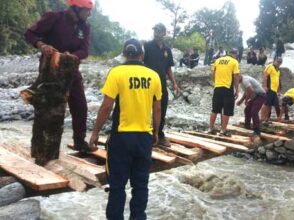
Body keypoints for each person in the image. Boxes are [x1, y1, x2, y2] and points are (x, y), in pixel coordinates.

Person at [89, 39, 162, 220]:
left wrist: (95, 132)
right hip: (144, 137)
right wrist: (155, 132)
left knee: (117, 186)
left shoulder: (117, 72)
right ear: (142, 55)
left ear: (124, 54)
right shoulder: (153, 76)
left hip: (121, 138)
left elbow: (106, 107)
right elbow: (157, 108)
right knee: (140, 185)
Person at [24, 0, 94, 152]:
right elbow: (30, 33)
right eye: (87, 11)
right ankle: (43, 148)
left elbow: (85, 50)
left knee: (80, 105)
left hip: (71, 70)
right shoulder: (54, 17)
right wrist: (41, 45)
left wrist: (73, 55)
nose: (89, 14)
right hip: (51, 70)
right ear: (76, 8)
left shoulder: (85, 27)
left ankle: (79, 142)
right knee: (50, 110)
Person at [143, 23, 179, 147]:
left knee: (162, 108)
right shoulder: (147, 46)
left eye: (159, 31)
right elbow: (140, 63)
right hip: (146, 84)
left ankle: (159, 134)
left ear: (164, 33)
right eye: (155, 31)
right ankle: (144, 135)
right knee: (145, 109)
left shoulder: (167, 50)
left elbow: (168, 68)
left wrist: (174, 83)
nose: (157, 33)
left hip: (161, 84)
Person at [209, 49, 240, 137]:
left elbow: (213, 74)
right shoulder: (234, 62)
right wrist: (237, 90)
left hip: (217, 88)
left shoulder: (218, 60)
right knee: (227, 110)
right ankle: (223, 130)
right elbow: (236, 76)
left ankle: (210, 128)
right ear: (235, 54)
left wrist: (216, 83)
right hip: (227, 88)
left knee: (215, 109)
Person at [260, 57, 283, 122]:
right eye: (277, 61)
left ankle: (266, 118)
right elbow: (265, 76)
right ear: (274, 61)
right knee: (266, 103)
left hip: (274, 90)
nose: (278, 63)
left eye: (280, 62)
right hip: (269, 88)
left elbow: (277, 80)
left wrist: (278, 90)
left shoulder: (278, 70)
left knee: (269, 104)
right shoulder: (270, 67)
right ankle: (261, 118)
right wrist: (264, 86)